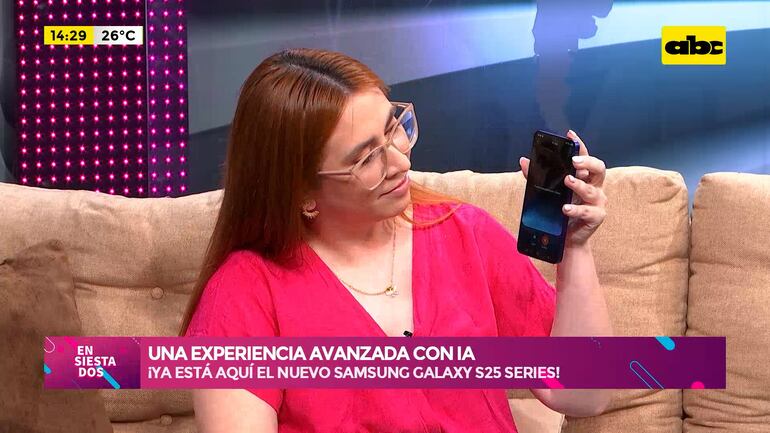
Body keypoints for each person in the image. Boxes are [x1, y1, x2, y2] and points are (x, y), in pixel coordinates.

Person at [178, 48, 613, 433]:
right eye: (367, 157)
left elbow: (583, 393)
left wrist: (575, 247)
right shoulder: (242, 295)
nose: (401, 161)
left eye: (394, 128)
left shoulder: (466, 233)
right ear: (302, 192)